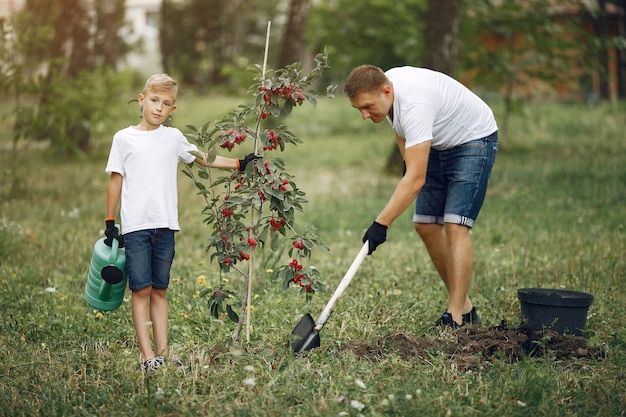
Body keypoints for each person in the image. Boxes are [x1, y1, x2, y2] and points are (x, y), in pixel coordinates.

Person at [104, 73, 257, 371]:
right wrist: (110, 221)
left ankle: (162, 354)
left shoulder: (173, 138)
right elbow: (115, 180)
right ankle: (146, 356)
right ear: (141, 99)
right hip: (135, 227)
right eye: (154, 101)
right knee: (141, 290)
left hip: (165, 226)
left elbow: (202, 158)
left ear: (173, 109)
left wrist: (239, 164)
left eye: (166, 104)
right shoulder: (123, 138)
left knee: (159, 290)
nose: (159, 108)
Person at [344, 65, 498, 328]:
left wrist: (380, 225)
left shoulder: (415, 102)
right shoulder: (388, 93)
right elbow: (402, 131)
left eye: (367, 107)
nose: (364, 115)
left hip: (474, 139)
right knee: (425, 225)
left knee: (455, 225)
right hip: (438, 141)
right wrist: (408, 162)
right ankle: (467, 308)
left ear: (386, 91)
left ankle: (456, 317)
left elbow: (416, 179)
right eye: (359, 109)